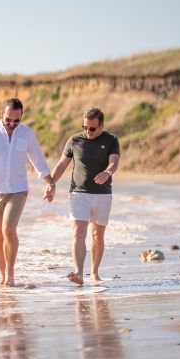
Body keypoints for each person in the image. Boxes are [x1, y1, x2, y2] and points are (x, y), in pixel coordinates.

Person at [0, 98, 54, 287]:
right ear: (2, 114)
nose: (12, 124)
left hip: (18, 190)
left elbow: (38, 160)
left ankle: (10, 274)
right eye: (9, 120)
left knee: (8, 229)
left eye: (16, 121)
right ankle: (2, 276)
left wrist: (50, 183)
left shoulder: (26, 133)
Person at [49, 108, 120, 286]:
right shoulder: (74, 140)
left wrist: (107, 172)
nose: (88, 132)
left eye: (92, 129)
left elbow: (114, 161)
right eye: (85, 127)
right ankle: (79, 273)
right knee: (78, 233)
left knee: (97, 235)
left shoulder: (111, 140)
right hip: (78, 194)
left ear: (102, 125)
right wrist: (51, 183)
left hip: (103, 194)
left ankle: (94, 273)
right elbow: (62, 164)